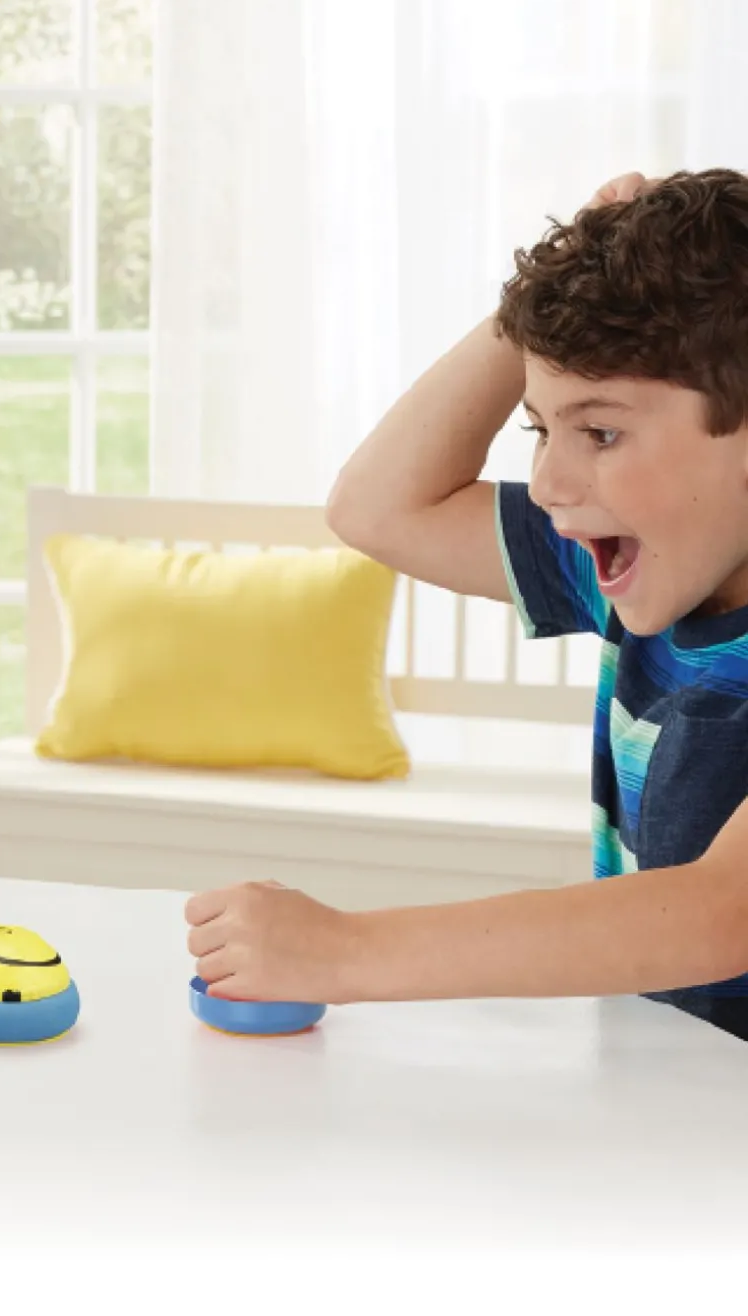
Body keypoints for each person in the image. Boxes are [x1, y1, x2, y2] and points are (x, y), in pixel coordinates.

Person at [186, 168, 748, 1041]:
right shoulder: (648, 565)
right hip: (671, 1092)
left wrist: (345, 951)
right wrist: (538, 302)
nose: (550, 484)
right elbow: (376, 508)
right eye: (541, 429)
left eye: (600, 432)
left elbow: (722, 913)